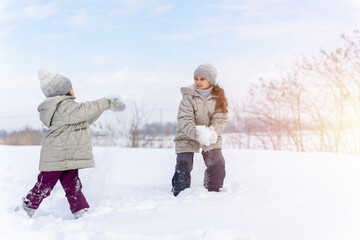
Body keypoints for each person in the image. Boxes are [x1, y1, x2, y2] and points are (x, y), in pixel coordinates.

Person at [20, 68, 125, 218]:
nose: (73, 90)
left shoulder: (65, 108)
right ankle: (26, 209)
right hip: (56, 156)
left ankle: (80, 211)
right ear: (63, 91)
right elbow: (85, 110)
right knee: (45, 184)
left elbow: (85, 119)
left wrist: (103, 109)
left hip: (66, 156)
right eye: (70, 88)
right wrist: (106, 102)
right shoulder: (63, 106)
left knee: (73, 185)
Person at [171, 63, 228, 196]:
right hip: (187, 135)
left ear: (211, 80)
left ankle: (213, 189)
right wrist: (196, 133)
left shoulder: (218, 98)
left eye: (202, 79)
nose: (198, 82)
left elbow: (221, 119)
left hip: (211, 135)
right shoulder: (188, 97)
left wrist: (212, 133)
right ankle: (179, 192)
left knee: (217, 163)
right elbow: (185, 118)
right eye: (196, 78)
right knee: (183, 165)